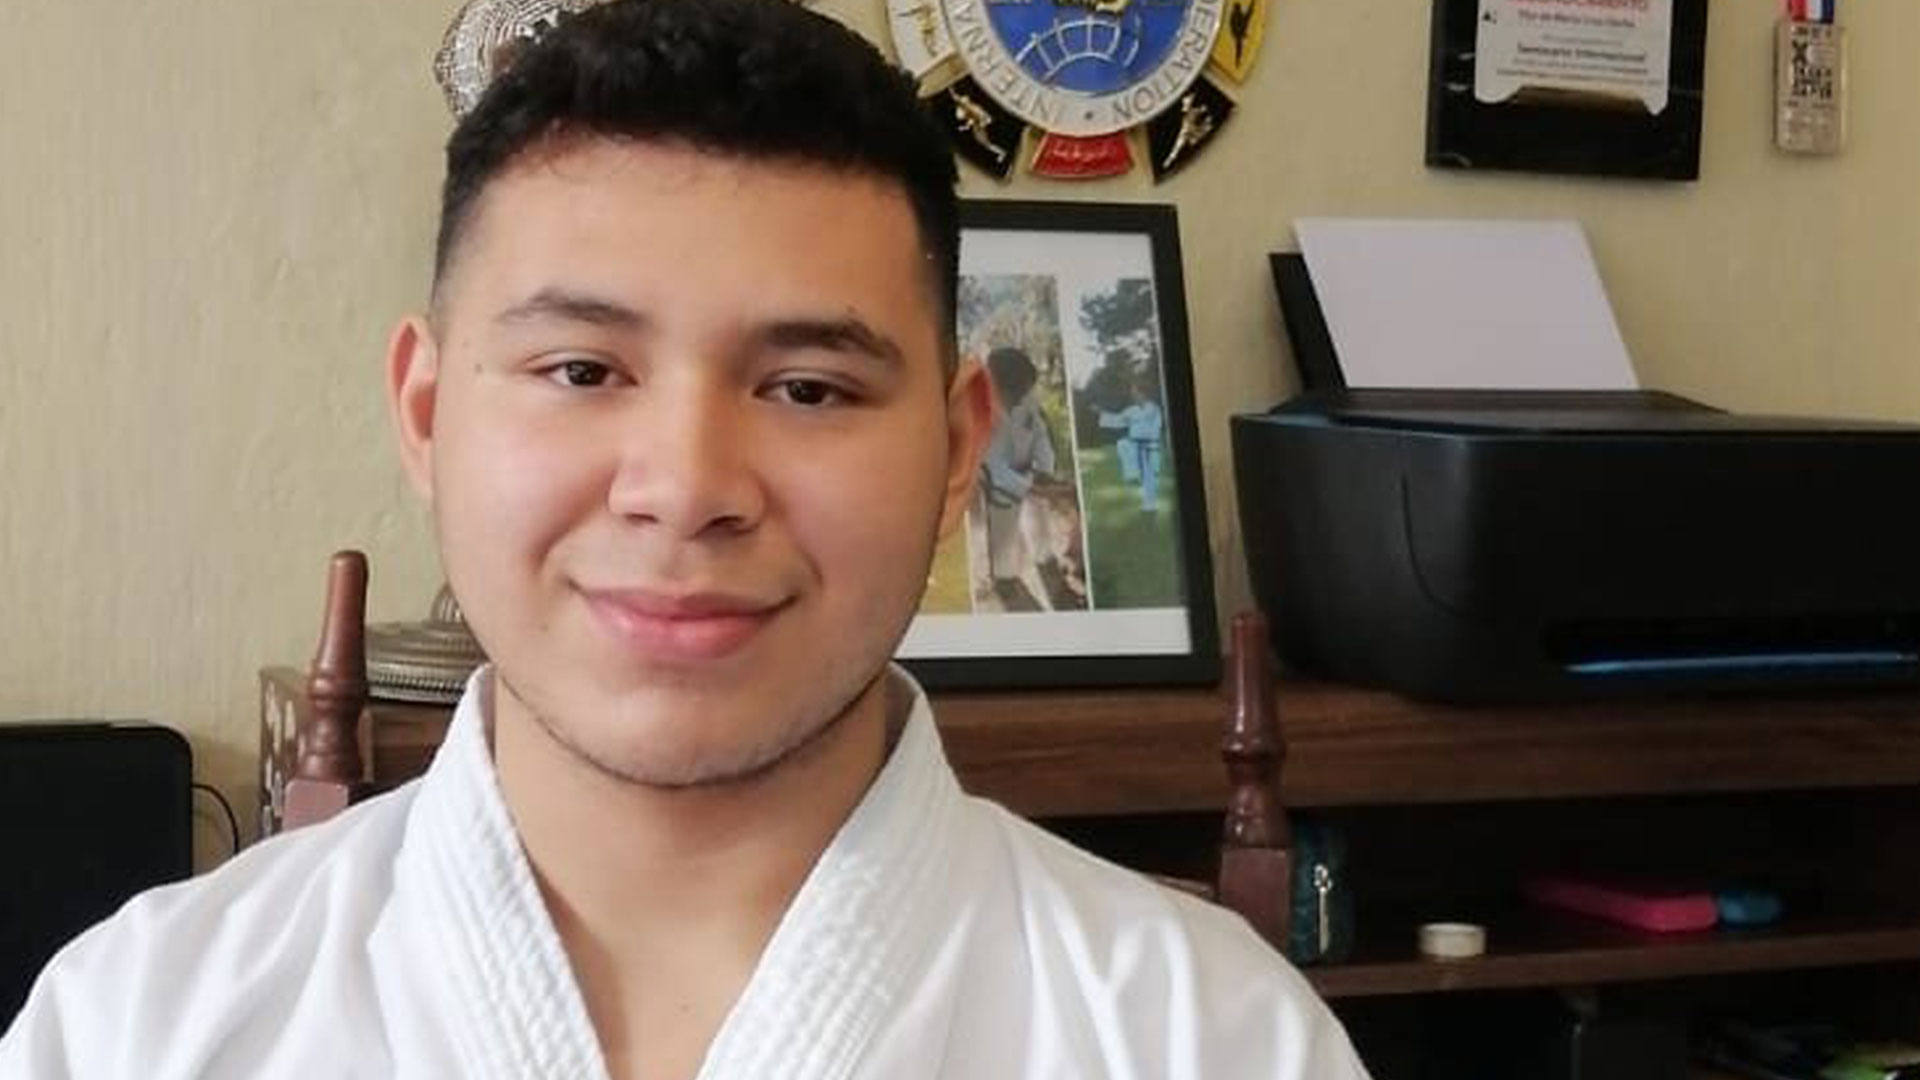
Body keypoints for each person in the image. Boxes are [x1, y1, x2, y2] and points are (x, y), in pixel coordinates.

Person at [0, 1, 1371, 1077]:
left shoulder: (1212, 1039)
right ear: (424, 414)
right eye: (583, 371)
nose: (687, 486)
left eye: (810, 389)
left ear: (959, 451)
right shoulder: (140, 1027)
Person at [1097, 376, 1167, 512]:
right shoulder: (1132, 410)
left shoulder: (1153, 409)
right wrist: (1102, 413)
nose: (1133, 395)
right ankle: (1133, 475)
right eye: (1133, 393)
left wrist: (1132, 419)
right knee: (1122, 444)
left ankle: (1150, 504)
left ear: (1143, 393)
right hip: (1134, 445)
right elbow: (1118, 420)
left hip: (1149, 446)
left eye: (1135, 392)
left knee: (1149, 476)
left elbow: (1152, 424)